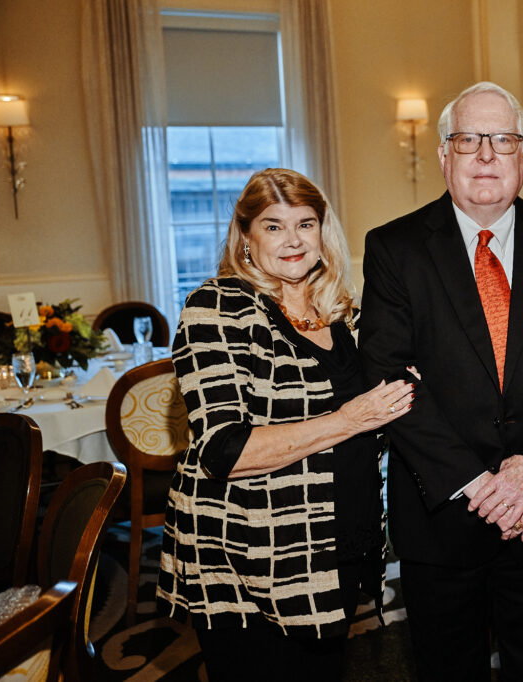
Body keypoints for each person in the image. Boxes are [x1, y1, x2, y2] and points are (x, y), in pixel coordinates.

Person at [359, 82, 523, 681]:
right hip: (440, 516)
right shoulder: (394, 248)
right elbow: (386, 377)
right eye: (468, 139)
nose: (485, 155)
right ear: (443, 156)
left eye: (503, 140)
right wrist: (482, 486)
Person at [156, 168, 413, 681]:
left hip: (338, 543)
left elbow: (383, 411)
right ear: (246, 236)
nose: (293, 240)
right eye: (273, 226)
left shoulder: (343, 314)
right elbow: (225, 449)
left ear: (324, 231)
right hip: (253, 557)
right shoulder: (216, 308)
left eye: (306, 223)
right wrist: (347, 421)